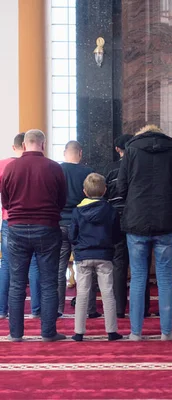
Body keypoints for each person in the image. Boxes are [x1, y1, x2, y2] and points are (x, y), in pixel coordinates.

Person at [118, 124, 172, 341]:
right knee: (165, 277)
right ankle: (166, 332)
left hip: (137, 221)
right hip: (165, 219)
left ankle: (135, 332)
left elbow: (121, 188)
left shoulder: (131, 150)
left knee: (138, 277)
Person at [1, 129, 67, 342]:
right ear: (43, 144)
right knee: (48, 283)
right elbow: (62, 200)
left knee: (17, 284)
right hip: (47, 228)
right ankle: (48, 332)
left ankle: (15, 333)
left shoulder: (11, 168)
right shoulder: (54, 168)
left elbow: (6, 201)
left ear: (24, 144)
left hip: (17, 228)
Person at [70, 173, 123, 341]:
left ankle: (79, 332)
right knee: (108, 292)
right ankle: (111, 331)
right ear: (105, 190)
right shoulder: (110, 210)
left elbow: (72, 235)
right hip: (104, 255)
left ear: (85, 191)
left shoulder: (77, 211)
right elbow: (116, 234)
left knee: (82, 293)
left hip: (83, 256)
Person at [0, 133, 41, 319]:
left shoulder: (3, 165)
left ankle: (2, 310)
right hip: (35, 219)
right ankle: (36, 310)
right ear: (26, 146)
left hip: (10, 219)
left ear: (15, 146)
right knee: (34, 264)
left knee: (7, 265)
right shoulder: (37, 164)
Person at [58, 140, 95, 317]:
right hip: (82, 224)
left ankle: (57, 308)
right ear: (80, 153)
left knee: (59, 267)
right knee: (84, 267)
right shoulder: (88, 172)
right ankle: (88, 308)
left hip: (60, 223)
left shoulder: (57, 170)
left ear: (65, 153)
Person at [104, 134, 135, 318]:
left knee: (119, 264)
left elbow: (105, 195)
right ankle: (144, 308)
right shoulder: (136, 167)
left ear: (117, 149)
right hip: (135, 217)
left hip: (115, 218)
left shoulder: (110, 169)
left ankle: (119, 308)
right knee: (140, 265)